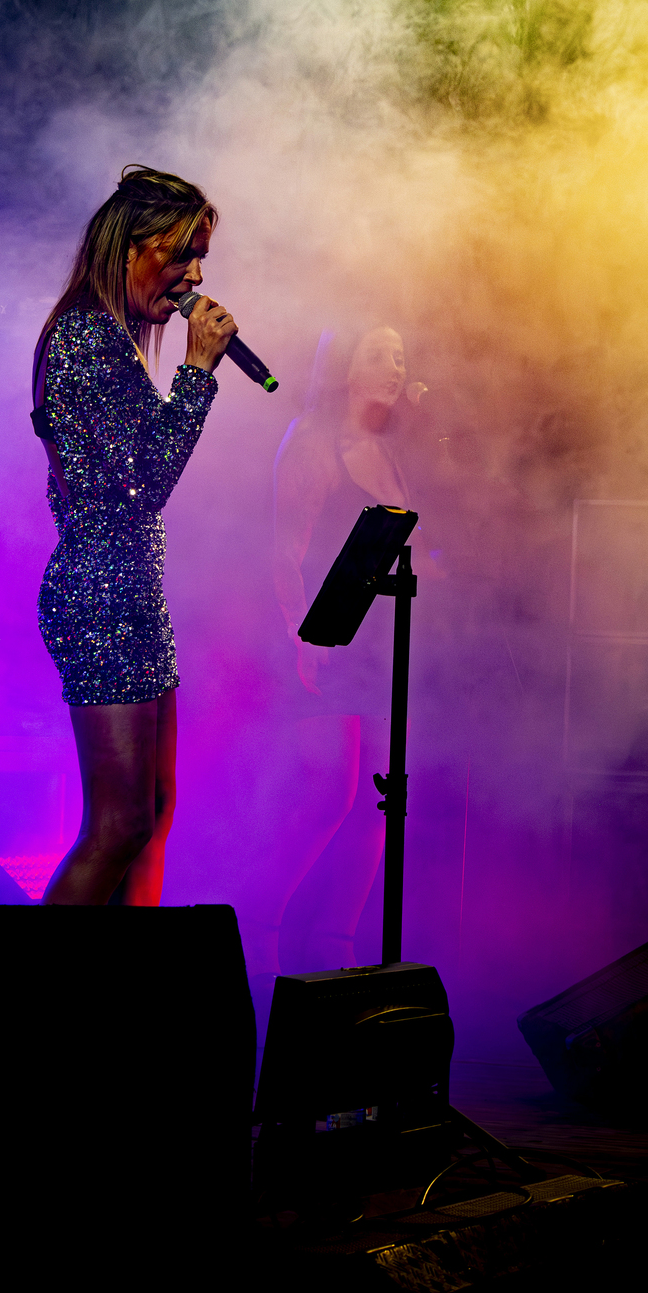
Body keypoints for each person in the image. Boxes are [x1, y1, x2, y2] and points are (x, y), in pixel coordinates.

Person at [33, 166, 236, 907]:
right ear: (129, 249)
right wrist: (197, 374)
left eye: (201, 258)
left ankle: (131, 975)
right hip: (100, 594)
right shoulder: (86, 338)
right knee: (118, 825)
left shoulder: (113, 339)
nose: (195, 278)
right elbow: (143, 484)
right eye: (181, 255)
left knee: (152, 814)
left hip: (133, 594)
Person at [235, 323, 425, 975]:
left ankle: (336, 946)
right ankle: (256, 923)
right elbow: (285, 548)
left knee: (379, 802)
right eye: (379, 355)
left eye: (400, 355)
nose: (396, 367)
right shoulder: (314, 440)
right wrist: (300, 633)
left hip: (379, 643)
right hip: (324, 633)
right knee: (331, 796)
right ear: (346, 367)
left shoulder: (390, 449)